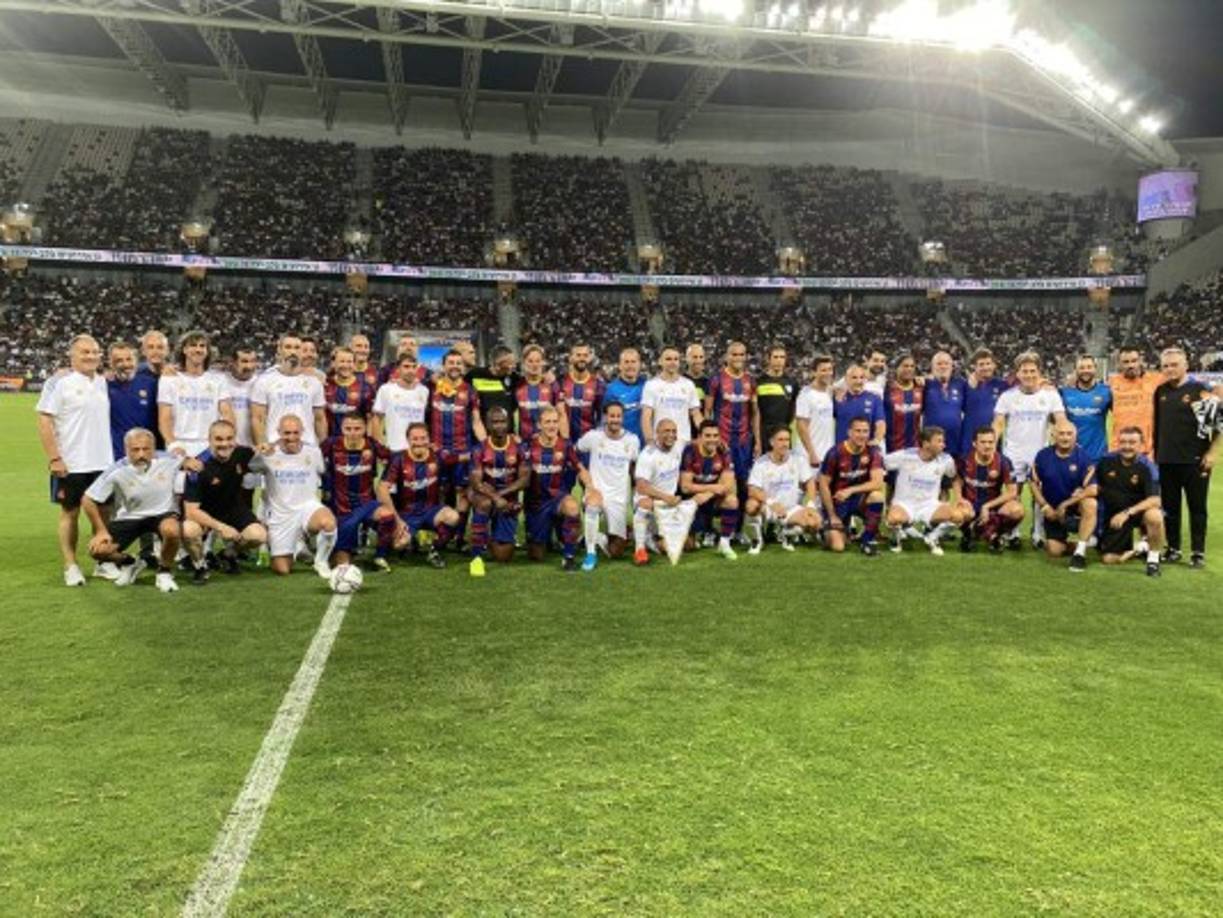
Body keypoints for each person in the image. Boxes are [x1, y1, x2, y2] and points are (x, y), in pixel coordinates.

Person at [36, 334, 115, 586]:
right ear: (72, 356)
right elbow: (44, 421)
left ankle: (103, 562)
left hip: (103, 462)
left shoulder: (103, 382)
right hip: (71, 462)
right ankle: (70, 566)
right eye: (84, 352)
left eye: (94, 352)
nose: (90, 356)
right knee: (70, 513)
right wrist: (55, 458)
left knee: (104, 513)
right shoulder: (59, 383)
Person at [80, 428, 201, 592]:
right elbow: (87, 499)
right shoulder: (116, 470)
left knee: (171, 530)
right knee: (98, 551)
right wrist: (101, 531)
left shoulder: (169, 459)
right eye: (135, 450)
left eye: (146, 449)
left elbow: (188, 460)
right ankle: (130, 562)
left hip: (162, 513)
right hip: (130, 517)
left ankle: (164, 572)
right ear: (126, 450)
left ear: (154, 448)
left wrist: (189, 461)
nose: (141, 454)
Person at [1153, 347, 1221, 567]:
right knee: (1170, 508)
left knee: (1197, 508)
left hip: (1195, 460)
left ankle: (1197, 553)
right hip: (1166, 460)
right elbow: (1157, 425)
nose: (1170, 369)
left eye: (1174, 365)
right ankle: (1173, 549)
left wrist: (1212, 452)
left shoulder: (1201, 391)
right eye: (1166, 365)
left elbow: (1218, 425)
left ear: (1186, 366)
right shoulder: (1160, 391)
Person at [249, 415, 337, 577]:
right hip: (281, 515)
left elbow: (323, 471)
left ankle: (321, 562)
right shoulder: (268, 453)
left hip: (307, 508)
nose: (291, 437)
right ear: (278, 432)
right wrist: (259, 453)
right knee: (282, 569)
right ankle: (292, 544)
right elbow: (251, 468)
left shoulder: (313, 452)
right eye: (287, 433)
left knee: (328, 523)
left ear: (302, 432)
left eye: (296, 432)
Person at [993, 354, 1066, 546]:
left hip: (1041, 454)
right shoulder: (1007, 396)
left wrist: (1063, 436)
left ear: (1039, 372)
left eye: (1033, 371)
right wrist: (992, 443)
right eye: (1024, 371)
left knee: (1039, 495)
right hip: (1013, 454)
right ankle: (1013, 533)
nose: (1029, 374)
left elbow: (1061, 419)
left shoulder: (1051, 395)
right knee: (1013, 493)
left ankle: (1038, 534)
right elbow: (998, 423)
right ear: (1017, 374)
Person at [182, 419, 268, 575]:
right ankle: (200, 564)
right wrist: (221, 528)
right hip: (205, 511)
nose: (225, 444)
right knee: (189, 530)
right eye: (219, 439)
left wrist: (267, 448)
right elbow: (191, 511)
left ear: (235, 439)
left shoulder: (242, 453)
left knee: (258, 535)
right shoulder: (197, 466)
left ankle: (228, 554)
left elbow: (260, 450)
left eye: (229, 438)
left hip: (232, 507)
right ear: (209, 439)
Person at [377, 422, 461, 570]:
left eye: (423, 438)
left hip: (431, 510)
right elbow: (382, 488)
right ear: (408, 440)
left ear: (429, 439)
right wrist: (397, 520)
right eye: (415, 439)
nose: (419, 442)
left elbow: (446, 483)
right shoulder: (398, 459)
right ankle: (412, 540)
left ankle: (433, 549)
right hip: (406, 514)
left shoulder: (437, 457)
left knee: (453, 517)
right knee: (399, 544)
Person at [322, 414, 396, 570]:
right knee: (342, 564)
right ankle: (340, 551)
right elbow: (314, 460)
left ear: (364, 429)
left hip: (366, 504)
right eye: (348, 429)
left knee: (387, 516)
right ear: (342, 429)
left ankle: (380, 556)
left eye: (357, 429)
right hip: (340, 506)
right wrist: (325, 483)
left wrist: (384, 480)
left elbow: (394, 459)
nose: (353, 433)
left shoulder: (372, 445)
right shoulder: (331, 444)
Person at [577, 401, 641, 570]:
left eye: (618, 416)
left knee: (616, 551)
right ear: (605, 417)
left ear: (623, 418)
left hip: (618, 498)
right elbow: (575, 452)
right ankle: (591, 553)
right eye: (612, 416)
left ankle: (596, 536)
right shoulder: (593, 436)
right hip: (597, 492)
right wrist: (586, 480)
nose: (615, 419)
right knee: (592, 505)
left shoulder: (632, 440)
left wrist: (636, 489)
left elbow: (634, 466)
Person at [884, 426, 967, 556]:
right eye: (939, 441)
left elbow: (954, 477)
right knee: (894, 519)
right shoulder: (905, 456)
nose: (944, 445)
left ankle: (932, 537)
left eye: (943, 441)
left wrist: (959, 498)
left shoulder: (946, 460)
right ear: (926, 443)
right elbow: (880, 464)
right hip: (905, 504)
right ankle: (896, 538)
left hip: (929, 505)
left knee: (958, 516)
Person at [467, 406, 530, 576]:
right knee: (485, 504)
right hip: (484, 495)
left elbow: (525, 480)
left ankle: (484, 537)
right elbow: (476, 482)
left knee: (503, 556)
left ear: (508, 423)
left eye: (502, 422)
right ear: (488, 425)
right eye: (495, 422)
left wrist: (500, 496)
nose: (499, 426)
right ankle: (476, 557)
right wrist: (495, 498)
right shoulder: (479, 449)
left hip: (506, 499)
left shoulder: (519, 448)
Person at [429, 348, 484, 541]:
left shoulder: (470, 390)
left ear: (463, 367)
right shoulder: (432, 387)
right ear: (443, 366)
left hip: (462, 452)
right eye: (451, 363)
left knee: (463, 492)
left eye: (458, 363)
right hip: (436, 451)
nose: (455, 366)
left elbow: (476, 421)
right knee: (439, 492)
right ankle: (441, 535)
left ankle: (459, 537)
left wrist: (485, 446)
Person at [522, 405, 586, 572]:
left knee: (572, 507)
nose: (552, 426)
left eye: (555, 422)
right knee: (537, 555)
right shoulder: (528, 446)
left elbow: (580, 468)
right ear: (539, 425)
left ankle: (569, 557)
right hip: (536, 503)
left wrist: (591, 487)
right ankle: (545, 534)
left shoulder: (565, 445)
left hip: (558, 497)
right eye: (547, 422)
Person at [1031, 419, 1098, 572]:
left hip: (1074, 509)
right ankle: (1082, 543)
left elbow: (1093, 489)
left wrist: (1067, 504)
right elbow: (1033, 483)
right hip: (1052, 510)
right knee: (1054, 551)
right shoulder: (1042, 456)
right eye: (1061, 434)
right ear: (1053, 435)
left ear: (1075, 435)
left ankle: (1080, 553)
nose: (1065, 438)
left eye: (1069, 434)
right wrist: (1045, 506)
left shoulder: (1083, 458)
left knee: (1090, 504)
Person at [1096, 427, 1164, 575]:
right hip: (1114, 515)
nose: (1127, 446)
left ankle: (1153, 560)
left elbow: (1155, 500)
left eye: (1132, 442)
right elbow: (1094, 484)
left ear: (1141, 444)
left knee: (1154, 515)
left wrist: (1127, 513)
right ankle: (1140, 548)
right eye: (1123, 442)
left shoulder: (1148, 467)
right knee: (1108, 559)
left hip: (1137, 513)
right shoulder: (1106, 461)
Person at [744, 427, 823, 554]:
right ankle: (757, 541)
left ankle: (786, 533)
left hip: (790, 509)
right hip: (768, 507)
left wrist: (810, 505)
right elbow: (752, 489)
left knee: (815, 522)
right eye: (780, 440)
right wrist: (771, 502)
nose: (785, 443)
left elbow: (810, 482)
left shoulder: (798, 458)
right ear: (772, 442)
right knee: (751, 505)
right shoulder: (761, 463)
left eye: (787, 440)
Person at [818, 416, 885, 556]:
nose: (862, 435)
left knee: (877, 496)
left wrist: (850, 490)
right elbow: (823, 485)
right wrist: (832, 515)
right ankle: (826, 530)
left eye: (865, 431)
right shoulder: (835, 453)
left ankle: (867, 541)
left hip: (857, 500)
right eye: (858, 431)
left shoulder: (873, 451)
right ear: (849, 432)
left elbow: (878, 482)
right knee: (838, 546)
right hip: (837, 502)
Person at [954, 426, 1024, 553]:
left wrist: (987, 506)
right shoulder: (964, 460)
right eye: (983, 442)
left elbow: (1012, 491)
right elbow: (957, 479)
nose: (987, 446)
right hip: (970, 506)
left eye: (991, 442)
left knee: (1017, 510)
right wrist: (959, 498)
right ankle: (970, 533)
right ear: (974, 443)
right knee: (958, 514)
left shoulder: (1004, 462)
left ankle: (992, 533)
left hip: (993, 506)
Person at [706, 341, 755, 522]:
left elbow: (755, 413)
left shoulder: (750, 381)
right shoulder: (716, 380)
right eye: (734, 354)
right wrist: (712, 438)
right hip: (722, 441)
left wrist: (756, 440)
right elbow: (708, 411)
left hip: (743, 442)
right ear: (727, 356)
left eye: (742, 354)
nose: (738, 358)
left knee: (742, 483)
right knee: (715, 482)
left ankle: (738, 527)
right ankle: (709, 525)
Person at [250, 333, 327, 447]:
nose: (293, 352)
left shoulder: (314, 383)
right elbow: (257, 419)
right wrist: (262, 445)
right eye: (288, 347)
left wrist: (322, 448)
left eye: (297, 347)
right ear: (279, 350)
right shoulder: (264, 381)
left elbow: (320, 419)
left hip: (307, 446)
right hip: (275, 446)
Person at [679, 420, 740, 560]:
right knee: (688, 546)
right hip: (692, 501)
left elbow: (728, 484)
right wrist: (712, 488)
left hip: (711, 499)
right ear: (699, 437)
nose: (712, 440)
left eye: (715, 435)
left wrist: (708, 493)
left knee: (731, 500)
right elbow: (685, 487)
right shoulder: (690, 451)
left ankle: (724, 543)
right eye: (708, 436)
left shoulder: (724, 451)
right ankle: (703, 531)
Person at [633, 418, 685, 566]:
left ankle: (649, 539)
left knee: (683, 545)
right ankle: (639, 549)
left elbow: (695, 443)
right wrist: (666, 497)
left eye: (674, 431)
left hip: (668, 505)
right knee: (645, 503)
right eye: (666, 431)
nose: (671, 435)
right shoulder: (648, 455)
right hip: (650, 502)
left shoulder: (678, 447)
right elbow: (641, 487)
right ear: (657, 433)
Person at [105, 340, 159, 460]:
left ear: (136, 360)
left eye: (129, 359)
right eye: (119, 360)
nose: (125, 364)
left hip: (146, 455)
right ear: (111, 363)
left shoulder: (152, 384)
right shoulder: (103, 386)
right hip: (116, 457)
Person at [641, 345, 702, 449]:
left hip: (684, 443)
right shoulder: (651, 385)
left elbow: (696, 414)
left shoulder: (688, 385)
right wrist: (650, 442)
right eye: (668, 359)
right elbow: (646, 417)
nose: (673, 362)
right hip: (661, 444)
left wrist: (706, 432)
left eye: (676, 359)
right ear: (660, 361)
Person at [1107, 345, 1163, 455]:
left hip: (1146, 450)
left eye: (1134, 361)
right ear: (1119, 364)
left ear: (1140, 361)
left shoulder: (1155, 380)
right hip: (1118, 449)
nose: (1131, 365)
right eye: (1126, 362)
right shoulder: (1111, 383)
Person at [371, 351, 429, 453]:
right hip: (393, 448)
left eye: (414, 367)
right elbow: (376, 419)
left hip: (416, 450)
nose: (411, 370)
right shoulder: (386, 389)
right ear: (398, 369)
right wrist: (379, 447)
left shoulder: (424, 391)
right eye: (406, 366)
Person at [1059, 354, 1112, 462]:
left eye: (1089, 367)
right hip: (1071, 456)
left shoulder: (1106, 391)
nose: (1085, 370)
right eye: (1081, 367)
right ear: (1075, 370)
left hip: (1098, 457)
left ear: (1095, 368)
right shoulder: (1065, 393)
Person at [960, 348, 1009, 458]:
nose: (985, 367)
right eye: (981, 364)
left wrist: (1042, 383)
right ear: (974, 367)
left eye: (988, 363)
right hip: (969, 439)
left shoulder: (1002, 385)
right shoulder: (965, 385)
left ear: (994, 365)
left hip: (993, 440)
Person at [795, 354, 836, 480]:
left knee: (823, 489)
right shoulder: (806, 394)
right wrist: (811, 453)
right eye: (823, 370)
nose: (828, 373)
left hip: (826, 453)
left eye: (830, 369)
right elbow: (801, 426)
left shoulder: (828, 392)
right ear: (813, 372)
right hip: (808, 455)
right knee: (805, 488)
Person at [753, 345, 799, 456]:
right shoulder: (758, 382)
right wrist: (757, 440)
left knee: (784, 464)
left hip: (784, 433)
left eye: (782, 357)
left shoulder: (792, 383)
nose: (779, 360)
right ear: (768, 359)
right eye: (776, 357)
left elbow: (794, 409)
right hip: (764, 434)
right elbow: (755, 413)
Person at [514, 344, 564, 440]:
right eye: (530, 361)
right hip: (524, 443)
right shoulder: (517, 386)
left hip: (548, 442)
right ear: (524, 363)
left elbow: (562, 415)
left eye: (538, 361)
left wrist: (564, 441)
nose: (534, 365)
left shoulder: (553, 385)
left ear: (543, 362)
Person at [324, 345, 375, 439]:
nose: (346, 365)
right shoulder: (325, 385)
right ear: (334, 363)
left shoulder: (366, 388)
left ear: (354, 364)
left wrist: (369, 442)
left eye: (349, 362)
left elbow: (371, 419)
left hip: (356, 443)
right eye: (342, 361)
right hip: (329, 442)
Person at [467, 344, 521, 432]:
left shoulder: (514, 378)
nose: (514, 365)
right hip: (482, 432)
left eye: (514, 362)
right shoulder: (475, 375)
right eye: (510, 363)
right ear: (497, 364)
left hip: (507, 434)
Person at [921, 351, 965, 458]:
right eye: (939, 363)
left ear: (952, 367)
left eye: (946, 363)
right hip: (931, 442)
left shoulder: (961, 384)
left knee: (954, 467)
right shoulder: (924, 384)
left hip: (955, 440)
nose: (943, 366)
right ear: (932, 367)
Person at [559, 342, 606, 439]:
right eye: (578, 355)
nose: (582, 358)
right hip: (564, 440)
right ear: (571, 358)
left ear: (589, 358)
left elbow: (601, 416)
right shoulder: (561, 381)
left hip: (588, 440)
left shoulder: (598, 384)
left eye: (585, 355)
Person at [833, 364, 885, 446]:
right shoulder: (837, 399)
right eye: (854, 377)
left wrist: (877, 440)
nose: (858, 381)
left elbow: (880, 423)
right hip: (842, 449)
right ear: (846, 379)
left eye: (861, 378)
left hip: (865, 449)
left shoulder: (874, 399)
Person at [604, 347, 646, 443]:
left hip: (644, 444)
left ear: (639, 365)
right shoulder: (611, 390)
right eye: (626, 362)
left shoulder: (648, 386)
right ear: (620, 365)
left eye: (633, 362)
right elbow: (606, 420)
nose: (630, 365)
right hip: (621, 444)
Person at [884, 353, 923, 453]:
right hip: (892, 449)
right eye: (905, 366)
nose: (909, 369)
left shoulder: (921, 388)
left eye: (912, 366)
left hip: (915, 448)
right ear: (896, 368)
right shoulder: (886, 388)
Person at [223, 347, 260, 447]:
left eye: (253, 361)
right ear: (232, 362)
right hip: (227, 445)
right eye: (244, 361)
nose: (249, 366)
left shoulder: (262, 383)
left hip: (255, 446)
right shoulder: (221, 382)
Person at [684, 343, 709, 440]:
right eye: (694, 357)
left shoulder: (709, 382)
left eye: (701, 357)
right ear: (687, 359)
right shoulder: (680, 381)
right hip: (684, 431)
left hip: (702, 432)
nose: (698, 360)